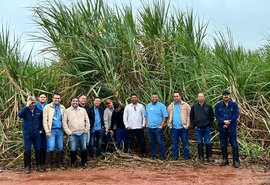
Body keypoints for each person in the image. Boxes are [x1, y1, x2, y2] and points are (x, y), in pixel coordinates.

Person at [18, 96, 44, 173]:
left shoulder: (39, 111)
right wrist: (26, 106)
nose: (32, 104)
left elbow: (42, 122)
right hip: (27, 134)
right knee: (27, 149)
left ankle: (39, 166)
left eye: (33, 102)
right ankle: (27, 166)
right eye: (30, 103)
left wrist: (41, 130)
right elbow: (20, 115)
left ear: (36, 102)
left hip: (37, 133)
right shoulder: (25, 110)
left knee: (38, 149)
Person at [63, 96, 90, 169]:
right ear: (71, 102)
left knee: (84, 148)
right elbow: (64, 123)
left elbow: (87, 120)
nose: (75, 102)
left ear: (78, 102)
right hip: (73, 133)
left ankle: (84, 162)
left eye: (76, 101)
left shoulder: (83, 110)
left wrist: (86, 130)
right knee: (73, 149)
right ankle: (73, 163)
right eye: (73, 101)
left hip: (83, 132)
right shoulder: (67, 111)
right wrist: (68, 132)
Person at [215, 90, 240, 168]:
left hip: (231, 128)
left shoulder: (234, 105)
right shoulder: (218, 105)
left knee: (234, 144)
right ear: (222, 96)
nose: (226, 96)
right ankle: (225, 160)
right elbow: (217, 115)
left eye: (227, 95)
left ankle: (235, 161)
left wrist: (229, 121)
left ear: (229, 96)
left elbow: (236, 115)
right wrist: (223, 121)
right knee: (223, 144)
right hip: (222, 128)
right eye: (224, 95)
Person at [43, 93, 66, 170]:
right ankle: (48, 165)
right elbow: (45, 120)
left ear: (60, 99)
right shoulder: (47, 107)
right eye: (55, 98)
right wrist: (47, 131)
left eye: (58, 98)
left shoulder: (62, 107)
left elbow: (64, 120)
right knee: (50, 147)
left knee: (60, 147)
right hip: (51, 130)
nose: (57, 100)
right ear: (52, 99)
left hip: (60, 130)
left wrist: (65, 130)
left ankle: (59, 164)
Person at [190, 93, 214, 162]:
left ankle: (209, 157)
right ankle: (201, 157)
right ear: (197, 98)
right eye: (199, 97)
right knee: (199, 142)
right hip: (198, 128)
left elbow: (212, 116)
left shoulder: (208, 106)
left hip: (206, 128)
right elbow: (191, 116)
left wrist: (209, 124)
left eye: (202, 97)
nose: (200, 98)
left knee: (207, 142)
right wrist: (194, 125)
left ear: (204, 98)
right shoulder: (194, 107)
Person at [167, 91, 191, 160]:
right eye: (174, 96)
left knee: (185, 142)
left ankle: (186, 157)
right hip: (174, 128)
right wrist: (169, 124)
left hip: (183, 127)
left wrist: (187, 124)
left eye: (177, 96)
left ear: (180, 97)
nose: (176, 98)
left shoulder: (185, 105)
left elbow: (189, 114)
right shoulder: (171, 106)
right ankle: (175, 157)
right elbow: (168, 116)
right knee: (175, 143)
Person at [144, 93, 168, 160]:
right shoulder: (148, 106)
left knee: (160, 142)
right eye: (153, 97)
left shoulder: (161, 106)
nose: (154, 98)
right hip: (149, 128)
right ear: (151, 98)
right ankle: (153, 156)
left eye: (156, 97)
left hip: (158, 128)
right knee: (151, 142)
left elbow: (165, 116)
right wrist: (146, 124)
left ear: (157, 98)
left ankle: (162, 156)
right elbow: (145, 116)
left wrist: (161, 126)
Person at [36, 93, 48, 168]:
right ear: (38, 98)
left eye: (44, 97)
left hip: (46, 128)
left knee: (45, 146)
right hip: (38, 128)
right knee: (39, 145)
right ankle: (39, 162)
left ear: (46, 98)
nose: (43, 98)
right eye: (41, 97)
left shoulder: (48, 106)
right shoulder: (35, 106)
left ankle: (44, 162)